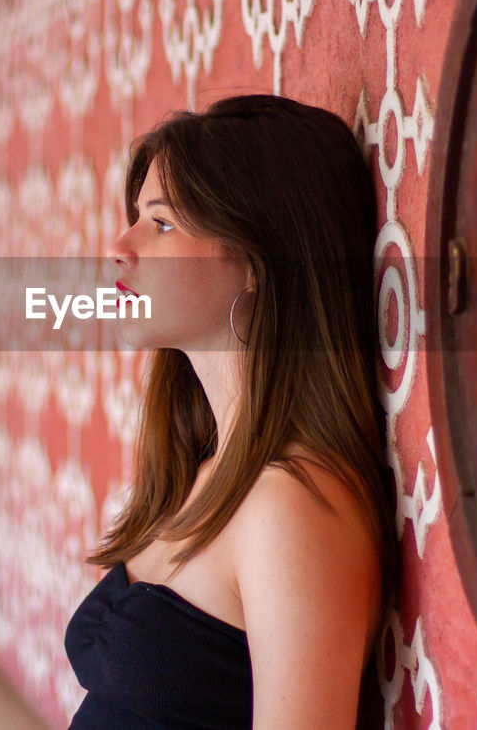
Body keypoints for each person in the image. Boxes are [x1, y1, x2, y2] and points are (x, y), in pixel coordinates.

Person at [64, 94, 398, 729]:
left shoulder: (291, 506)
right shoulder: (200, 466)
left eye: (160, 224)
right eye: (136, 218)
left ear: (254, 263)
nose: (119, 247)